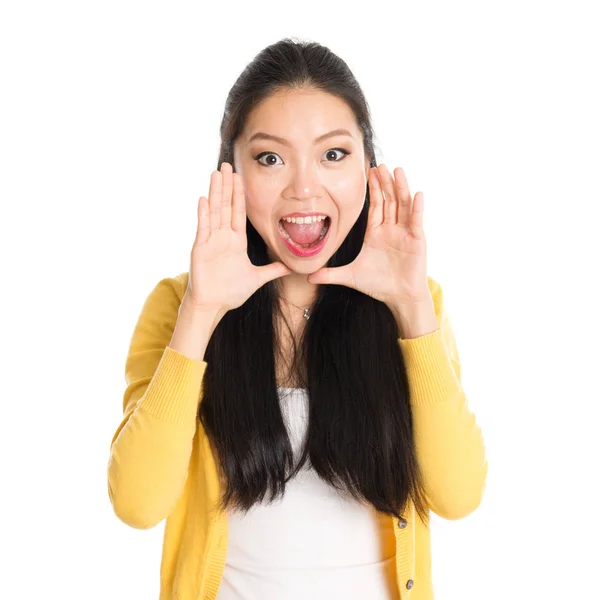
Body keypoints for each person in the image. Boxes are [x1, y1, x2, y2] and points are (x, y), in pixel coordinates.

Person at [107, 37, 488, 600]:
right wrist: (203, 313)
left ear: (367, 168)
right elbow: (138, 504)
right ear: (230, 172)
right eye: (270, 158)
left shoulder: (415, 304)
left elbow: (458, 496)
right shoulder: (178, 306)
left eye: (333, 155)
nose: (304, 188)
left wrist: (411, 309)